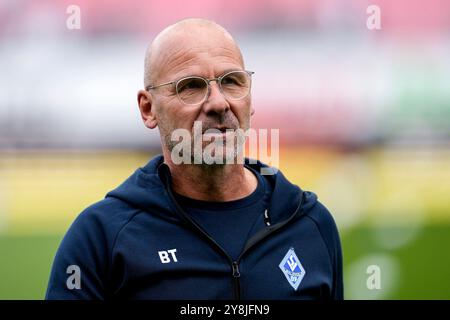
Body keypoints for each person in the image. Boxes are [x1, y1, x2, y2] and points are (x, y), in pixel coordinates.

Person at [46, 18, 343, 300]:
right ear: (148, 109)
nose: (218, 102)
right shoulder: (101, 237)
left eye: (231, 82)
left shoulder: (309, 223)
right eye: (191, 86)